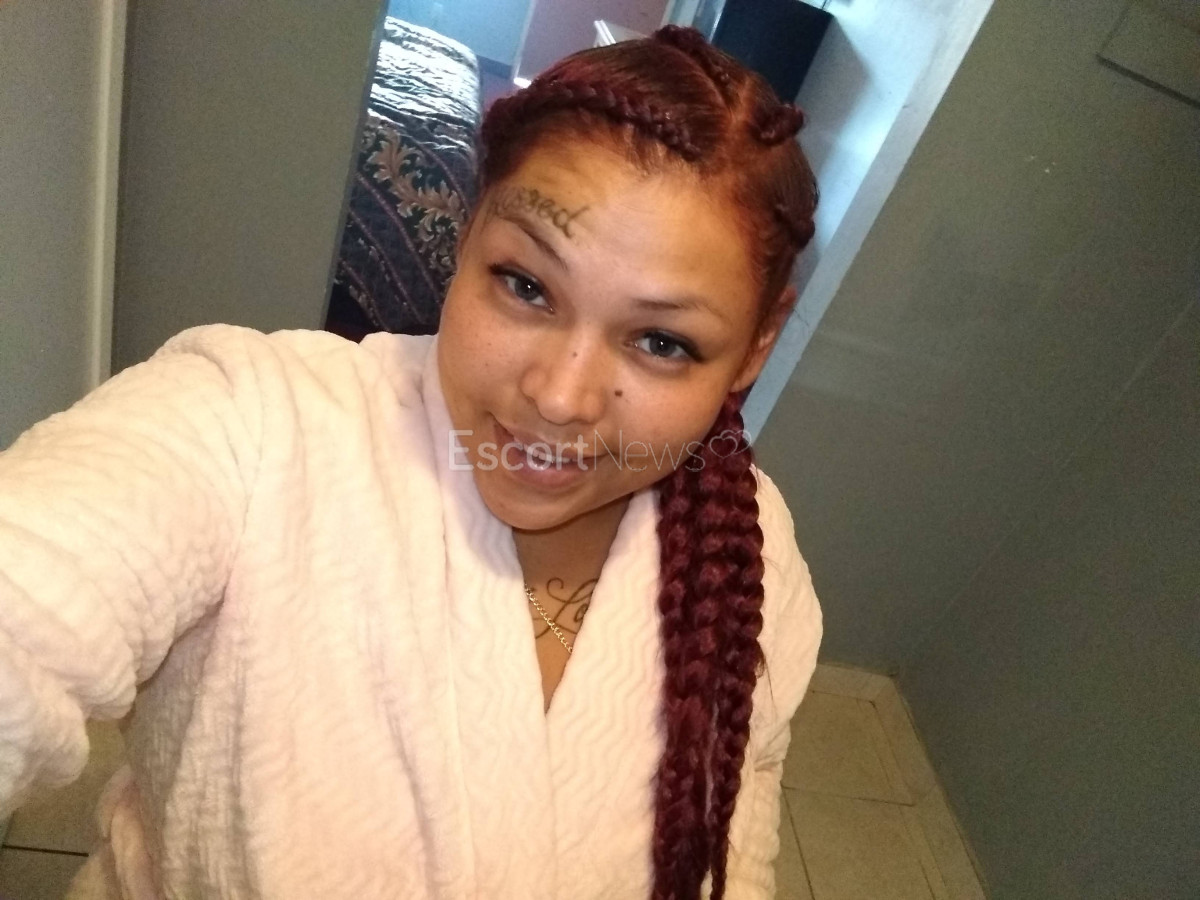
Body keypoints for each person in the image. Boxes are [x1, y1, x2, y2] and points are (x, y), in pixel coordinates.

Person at [0, 25, 822, 900]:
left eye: (661, 341)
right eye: (526, 285)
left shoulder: (752, 552)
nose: (559, 397)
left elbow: (739, 851)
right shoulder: (257, 421)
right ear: (469, 234)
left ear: (756, 345)